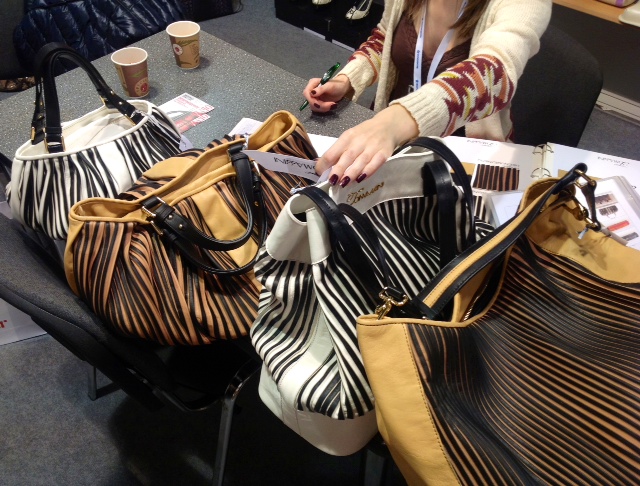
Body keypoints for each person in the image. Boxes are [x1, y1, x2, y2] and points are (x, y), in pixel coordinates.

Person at [302, 0, 552, 187]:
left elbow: (495, 74)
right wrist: (347, 79)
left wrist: (395, 121)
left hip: (462, 162)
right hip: (391, 144)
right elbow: (385, 39)